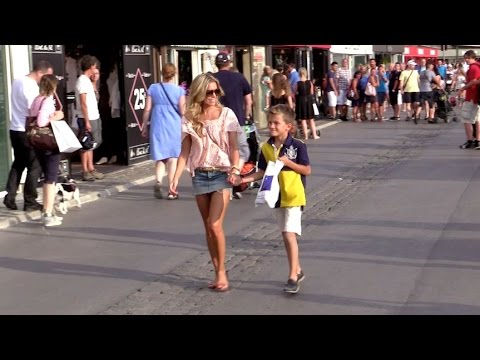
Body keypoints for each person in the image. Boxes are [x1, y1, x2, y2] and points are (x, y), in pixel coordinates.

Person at [169, 73, 241, 292]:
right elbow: (185, 151)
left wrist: (236, 169)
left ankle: (221, 273)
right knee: (207, 228)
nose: (213, 95)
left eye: (215, 91)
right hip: (200, 174)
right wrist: (174, 178)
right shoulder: (191, 117)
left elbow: (235, 147)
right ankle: (217, 269)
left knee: (215, 224)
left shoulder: (226, 114)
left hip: (222, 173)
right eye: (208, 92)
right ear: (199, 92)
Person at [237, 104, 311, 294]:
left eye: (276, 123)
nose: (271, 126)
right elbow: (261, 171)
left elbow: (307, 170)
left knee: (289, 233)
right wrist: (243, 179)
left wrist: (289, 163)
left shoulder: (297, 146)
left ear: (288, 126)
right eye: (270, 123)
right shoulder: (266, 147)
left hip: (294, 195)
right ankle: (298, 268)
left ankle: (292, 277)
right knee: (286, 236)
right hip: (276, 196)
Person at [3, 60, 53, 212]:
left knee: (18, 163)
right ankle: (30, 201)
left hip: (14, 129)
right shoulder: (31, 87)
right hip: (27, 130)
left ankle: (10, 196)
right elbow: (34, 110)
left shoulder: (17, 81)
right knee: (34, 165)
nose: (47, 81)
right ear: (40, 73)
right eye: (47, 77)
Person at [213, 52, 256, 199]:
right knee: (242, 152)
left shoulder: (211, 79)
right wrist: (246, 116)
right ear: (229, 63)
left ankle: (225, 187)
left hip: (216, 123)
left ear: (216, 64)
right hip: (236, 122)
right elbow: (249, 101)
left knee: (223, 155)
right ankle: (234, 179)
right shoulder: (239, 77)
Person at [141, 63, 186, 200]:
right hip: (173, 126)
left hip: (158, 125)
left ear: (162, 73)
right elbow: (183, 111)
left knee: (161, 158)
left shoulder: (153, 88)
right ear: (174, 74)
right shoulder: (179, 91)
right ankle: (171, 190)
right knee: (172, 158)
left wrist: (144, 125)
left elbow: (147, 108)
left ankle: (159, 181)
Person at [29, 74, 65, 226]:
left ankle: (48, 211)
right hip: (49, 142)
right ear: (53, 87)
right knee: (51, 179)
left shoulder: (36, 99)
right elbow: (42, 121)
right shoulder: (48, 101)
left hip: (36, 141)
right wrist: (57, 116)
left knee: (47, 177)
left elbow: (32, 117)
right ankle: (47, 214)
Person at [74, 55, 105, 181]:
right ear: (91, 67)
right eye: (95, 67)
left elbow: (94, 98)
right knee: (85, 144)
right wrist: (86, 121)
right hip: (86, 117)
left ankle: (91, 168)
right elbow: (83, 103)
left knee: (91, 144)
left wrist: (94, 82)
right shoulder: (82, 81)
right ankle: (85, 170)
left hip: (94, 115)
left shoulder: (87, 81)